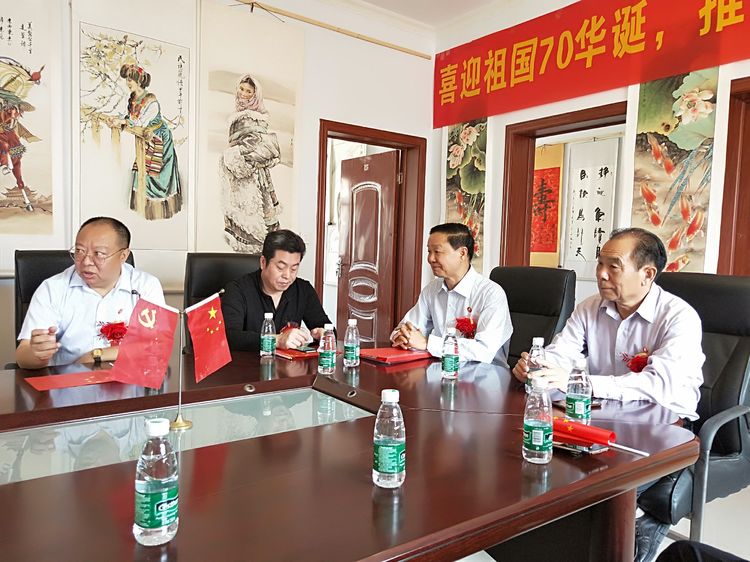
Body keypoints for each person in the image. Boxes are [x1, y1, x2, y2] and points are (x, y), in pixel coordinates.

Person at [511, 227, 705, 562]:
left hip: (663, 425)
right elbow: (561, 353)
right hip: (600, 416)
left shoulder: (678, 317)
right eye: (600, 263)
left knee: (593, 493)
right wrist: (538, 366)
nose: (601, 274)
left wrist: (580, 381)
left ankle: (628, 537)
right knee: (538, 469)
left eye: (613, 266)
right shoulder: (591, 307)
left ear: (647, 274)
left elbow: (657, 385)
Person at [15, 217, 166, 369]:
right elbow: (23, 356)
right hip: (67, 380)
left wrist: (95, 356)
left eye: (98, 253)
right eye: (79, 251)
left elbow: (156, 346)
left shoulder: (145, 286)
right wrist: (37, 354)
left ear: (123, 256)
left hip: (129, 379)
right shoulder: (53, 288)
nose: (86, 261)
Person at [390, 222, 513, 366]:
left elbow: (483, 350)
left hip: (484, 374)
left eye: (437, 252)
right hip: (440, 370)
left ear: (462, 253)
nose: (430, 259)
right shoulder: (432, 290)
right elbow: (407, 326)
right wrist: (403, 336)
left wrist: (427, 343)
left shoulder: (491, 294)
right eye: (429, 251)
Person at [222, 229, 331, 351]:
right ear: (263, 262)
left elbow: (327, 328)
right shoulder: (237, 290)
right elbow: (230, 337)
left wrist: (324, 334)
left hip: (289, 363)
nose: (287, 276)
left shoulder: (303, 290)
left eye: (294, 269)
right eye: (280, 267)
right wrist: (276, 340)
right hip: (248, 362)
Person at [109, 64, 182, 220]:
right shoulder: (133, 98)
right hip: (145, 138)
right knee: (141, 170)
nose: (128, 83)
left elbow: (141, 122)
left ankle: (159, 210)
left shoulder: (151, 102)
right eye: (127, 80)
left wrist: (122, 122)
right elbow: (130, 117)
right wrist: (117, 119)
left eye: (130, 80)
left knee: (157, 174)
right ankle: (142, 208)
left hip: (158, 139)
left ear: (139, 81)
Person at [220, 74, 282, 253]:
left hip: (252, 174)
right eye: (242, 89)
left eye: (249, 91)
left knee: (255, 213)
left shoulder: (254, 118)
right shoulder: (236, 116)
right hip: (237, 172)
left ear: (255, 95)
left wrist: (235, 155)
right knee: (240, 211)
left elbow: (257, 144)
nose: (244, 94)